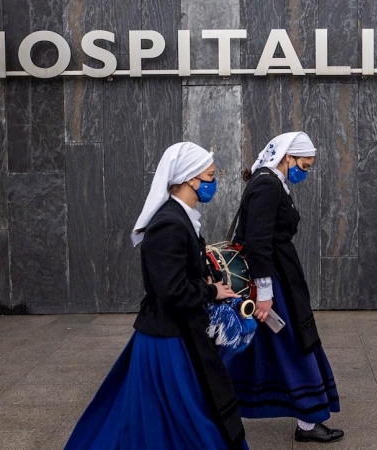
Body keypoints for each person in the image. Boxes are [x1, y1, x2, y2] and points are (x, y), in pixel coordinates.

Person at [65, 142, 248, 450]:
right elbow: (171, 291)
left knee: (166, 415)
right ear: (191, 179)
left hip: (172, 332)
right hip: (168, 338)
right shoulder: (169, 223)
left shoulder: (180, 218)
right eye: (210, 175)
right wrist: (211, 290)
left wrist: (205, 280)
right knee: (184, 415)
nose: (213, 183)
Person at [227, 132, 343, 443]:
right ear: (287, 158)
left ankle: (221, 409)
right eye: (304, 165)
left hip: (277, 276)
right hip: (274, 281)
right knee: (293, 343)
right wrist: (265, 294)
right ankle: (308, 420)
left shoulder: (271, 181)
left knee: (254, 347)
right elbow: (258, 242)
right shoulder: (267, 184)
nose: (304, 171)